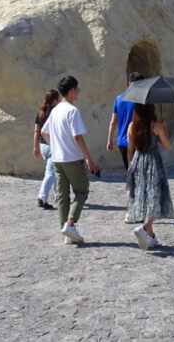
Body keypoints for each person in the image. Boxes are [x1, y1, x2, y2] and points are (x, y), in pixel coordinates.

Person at [39, 75, 101, 244]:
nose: (79, 92)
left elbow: (44, 132)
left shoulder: (56, 110)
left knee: (63, 196)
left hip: (57, 159)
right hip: (72, 158)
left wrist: (55, 147)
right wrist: (89, 159)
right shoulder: (72, 111)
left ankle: (66, 230)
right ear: (72, 90)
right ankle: (71, 223)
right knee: (82, 191)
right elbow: (77, 137)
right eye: (78, 89)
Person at [126, 103, 174, 249]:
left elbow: (130, 149)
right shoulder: (156, 125)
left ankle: (151, 236)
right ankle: (145, 227)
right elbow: (166, 145)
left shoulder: (132, 126)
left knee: (144, 195)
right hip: (153, 160)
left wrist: (129, 165)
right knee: (155, 196)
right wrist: (163, 127)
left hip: (138, 160)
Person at [33, 89, 61, 209]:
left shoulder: (41, 113)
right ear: (55, 100)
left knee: (54, 170)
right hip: (52, 145)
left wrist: (35, 147)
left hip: (42, 145)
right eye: (58, 98)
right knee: (50, 173)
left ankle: (57, 195)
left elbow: (36, 131)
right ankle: (42, 197)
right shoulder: (56, 112)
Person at [107, 72, 141, 169]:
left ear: (129, 83)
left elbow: (113, 121)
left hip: (122, 142)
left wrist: (109, 139)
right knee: (139, 174)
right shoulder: (138, 100)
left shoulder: (118, 99)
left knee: (129, 172)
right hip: (136, 141)